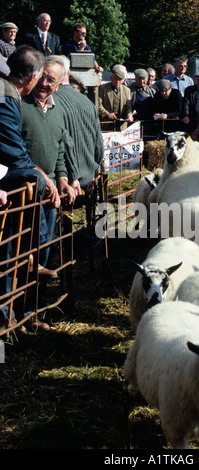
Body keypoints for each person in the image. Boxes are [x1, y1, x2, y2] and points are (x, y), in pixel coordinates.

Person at [0, 45, 57, 330]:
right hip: (6, 181)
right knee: (32, 182)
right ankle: (35, 252)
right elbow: (11, 146)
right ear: (32, 77)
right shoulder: (8, 95)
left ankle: (17, 308)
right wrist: (41, 174)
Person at [21, 55, 76, 274]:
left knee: (45, 244)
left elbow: (59, 148)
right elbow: (15, 149)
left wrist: (62, 179)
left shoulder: (57, 110)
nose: (44, 84)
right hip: (24, 189)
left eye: (50, 80)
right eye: (42, 77)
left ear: (60, 83)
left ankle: (37, 299)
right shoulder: (20, 105)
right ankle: (17, 301)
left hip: (50, 189)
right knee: (22, 246)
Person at [54, 55, 104, 198]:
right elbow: (98, 144)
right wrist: (95, 173)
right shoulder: (88, 103)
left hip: (64, 182)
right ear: (68, 73)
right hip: (88, 177)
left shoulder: (51, 102)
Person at [98, 64, 133, 131]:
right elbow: (98, 105)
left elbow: (128, 107)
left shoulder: (127, 90)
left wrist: (129, 115)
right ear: (111, 78)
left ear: (123, 80)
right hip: (106, 124)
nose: (117, 81)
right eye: (115, 79)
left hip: (121, 125)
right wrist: (107, 114)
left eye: (120, 79)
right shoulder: (102, 89)